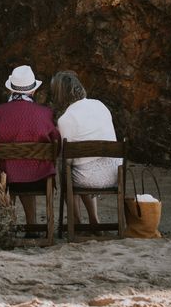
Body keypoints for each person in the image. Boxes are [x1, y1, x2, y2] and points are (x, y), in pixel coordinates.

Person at [0, 65, 60, 228]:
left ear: (11, 90)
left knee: (12, 171)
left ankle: (8, 225)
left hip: (6, 179)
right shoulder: (45, 113)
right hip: (39, 178)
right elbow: (56, 145)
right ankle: (32, 226)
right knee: (28, 170)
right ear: (32, 91)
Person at [51, 69, 122, 229]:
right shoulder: (100, 105)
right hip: (114, 173)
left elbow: (68, 160)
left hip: (87, 179)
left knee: (67, 169)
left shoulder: (65, 119)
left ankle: (76, 220)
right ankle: (94, 219)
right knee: (83, 166)